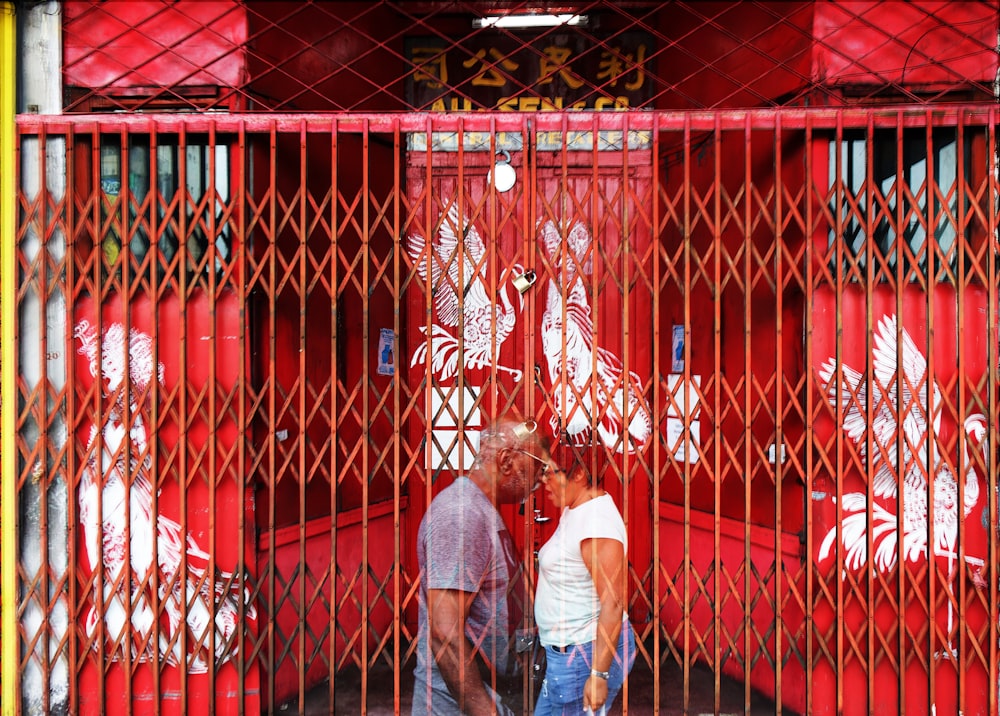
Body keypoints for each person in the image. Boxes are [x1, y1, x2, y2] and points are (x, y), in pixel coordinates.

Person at [412, 418, 552, 715]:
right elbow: (444, 636)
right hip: (458, 706)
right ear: (505, 461)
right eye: (536, 469)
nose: (539, 482)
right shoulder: (460, 514)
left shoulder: (481, 509)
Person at [533, 462, 635, 715]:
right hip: (571, 654)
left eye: (550, 472)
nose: (543, 479)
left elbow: (613, 602)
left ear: (578, 472)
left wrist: (598, 674)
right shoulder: (577, 508)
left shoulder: (595, 522)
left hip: (583, 655)